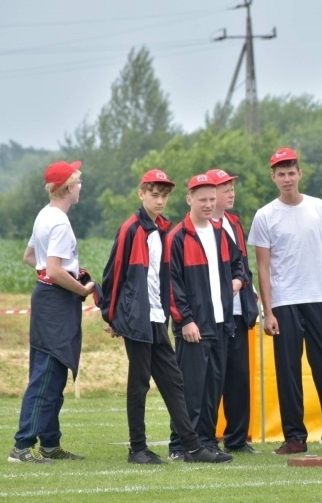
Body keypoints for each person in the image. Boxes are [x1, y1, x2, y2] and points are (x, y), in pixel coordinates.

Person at [99, 169, 232, 465]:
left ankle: (193, 447)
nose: (159, 200)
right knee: (139, 385)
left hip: (157, 318)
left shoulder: (161, 230)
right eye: (154, 194)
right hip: (136, 320)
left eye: (164, 195)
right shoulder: (131, 229)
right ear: (141, 194)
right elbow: (114, 272)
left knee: (174, 381)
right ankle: (137, 449)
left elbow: (162, 280)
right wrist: (111, 317)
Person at [247, 147, 322, 455]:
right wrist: (268, 311)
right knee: (288, 371)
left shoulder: (320, 208)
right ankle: (295, 437)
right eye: (281, 174)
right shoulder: (265, 215)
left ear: (300, 174)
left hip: (319, 298)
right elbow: (262, 266)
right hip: (285, 303)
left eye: (292, 172)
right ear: (273, 178)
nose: (287, 178)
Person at [8, 160, 95, 463]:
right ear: (68, 187)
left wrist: (56, 274)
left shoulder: (44, 215)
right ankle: (21, 447)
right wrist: (80, 287)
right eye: (78, 182)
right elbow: (56, 270)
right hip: (56, 302)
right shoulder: (59, 222)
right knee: (45, 375)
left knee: (53, 375)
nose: (80, 187)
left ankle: (50, 444)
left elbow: (30, 257)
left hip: (48, 297)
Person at [166, 173, 245, 460]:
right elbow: (171, 285)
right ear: (189, 200)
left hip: (221, 323)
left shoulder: (221, 233)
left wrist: (236, 283)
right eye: (203, 200)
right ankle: (180, 446)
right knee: (190, 389)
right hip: (194, 325)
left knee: (213, 387)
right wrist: (184, 320)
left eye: (213, 198)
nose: (209, 204)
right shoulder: (178, 237)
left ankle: (207, 443)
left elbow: (240, 267)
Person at [208, 168, 260, 454]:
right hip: (215, 314)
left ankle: (237, 438)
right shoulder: (202, 225)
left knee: (239, 377)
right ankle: (206, 436)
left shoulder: (235, 223)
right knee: (214, 376)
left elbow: (243, 264)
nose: (231, 192)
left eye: (231, 187)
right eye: (225, 188)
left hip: (238, 311)